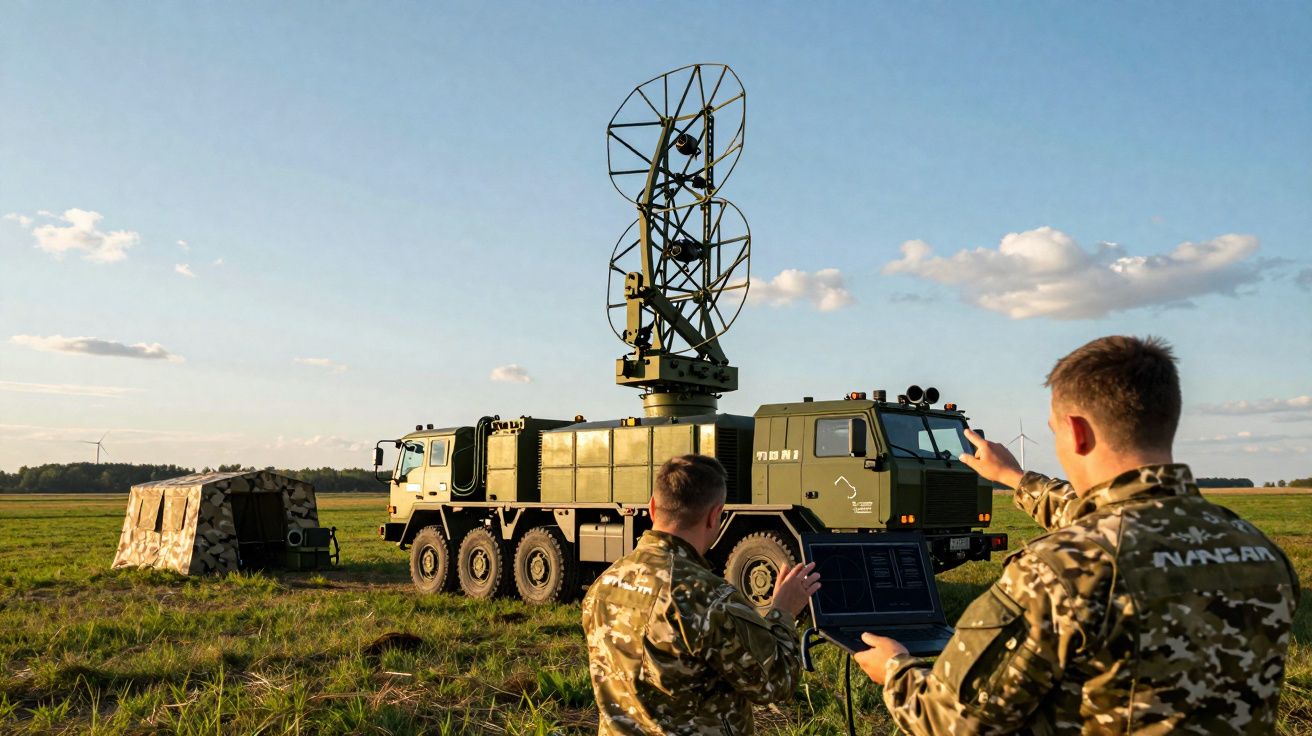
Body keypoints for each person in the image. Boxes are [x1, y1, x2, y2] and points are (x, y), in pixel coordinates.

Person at [855, 335, 1299, 734]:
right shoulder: (1257, 549)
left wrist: (895, 669)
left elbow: (950, 721)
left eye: (1054, 431)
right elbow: (1115, 518)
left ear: (1078, 432)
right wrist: (1015, 478)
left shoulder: (1057, 571)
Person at [581, 454, 820, 735]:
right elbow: (775, 684)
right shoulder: (710, 598)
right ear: (714, 515)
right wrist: (783, 612)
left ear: (653, 507)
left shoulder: (605, 583)